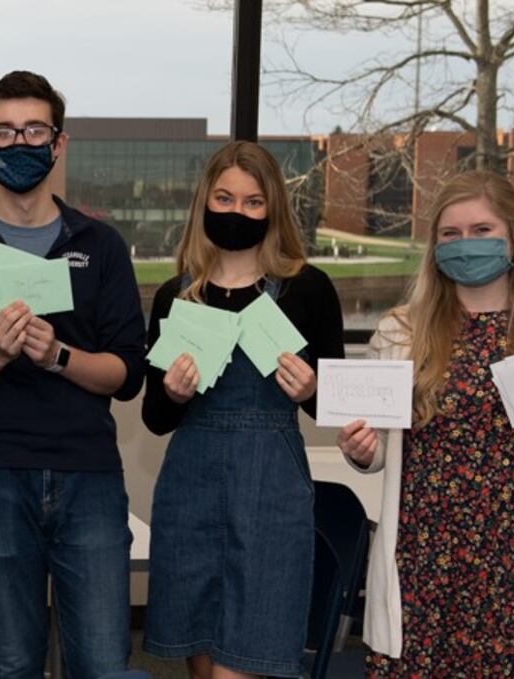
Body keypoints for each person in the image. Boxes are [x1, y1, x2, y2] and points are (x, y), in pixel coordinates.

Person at [338, 171, 514, 676]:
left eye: (482, 231)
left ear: (513, 239)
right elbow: (382, 448)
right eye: (450, 234)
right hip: (422, 562)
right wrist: (361, 451)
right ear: (434, 247)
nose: (464, 245)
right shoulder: (399, 331)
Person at [0, 70, 147, 677]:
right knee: (12, 661)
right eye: (5, 132)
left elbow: (127, 374)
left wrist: (58, 356)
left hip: (88, 476)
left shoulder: (100, 245)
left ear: (59, 142)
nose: (20, 143)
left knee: (101, 661)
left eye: (34, 130)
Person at [140, 141, 344, 678]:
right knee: (202, 659)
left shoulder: (308, 290)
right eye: (225, 198)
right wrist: (176, 393)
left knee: (245, 662)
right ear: (205, 202)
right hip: (190, 489)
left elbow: (338, 407)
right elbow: (154, 418)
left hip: (270, 491)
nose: (238, 212)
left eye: (253, 203)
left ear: (272, 209)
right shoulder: (177, 298)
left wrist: (310, 390)